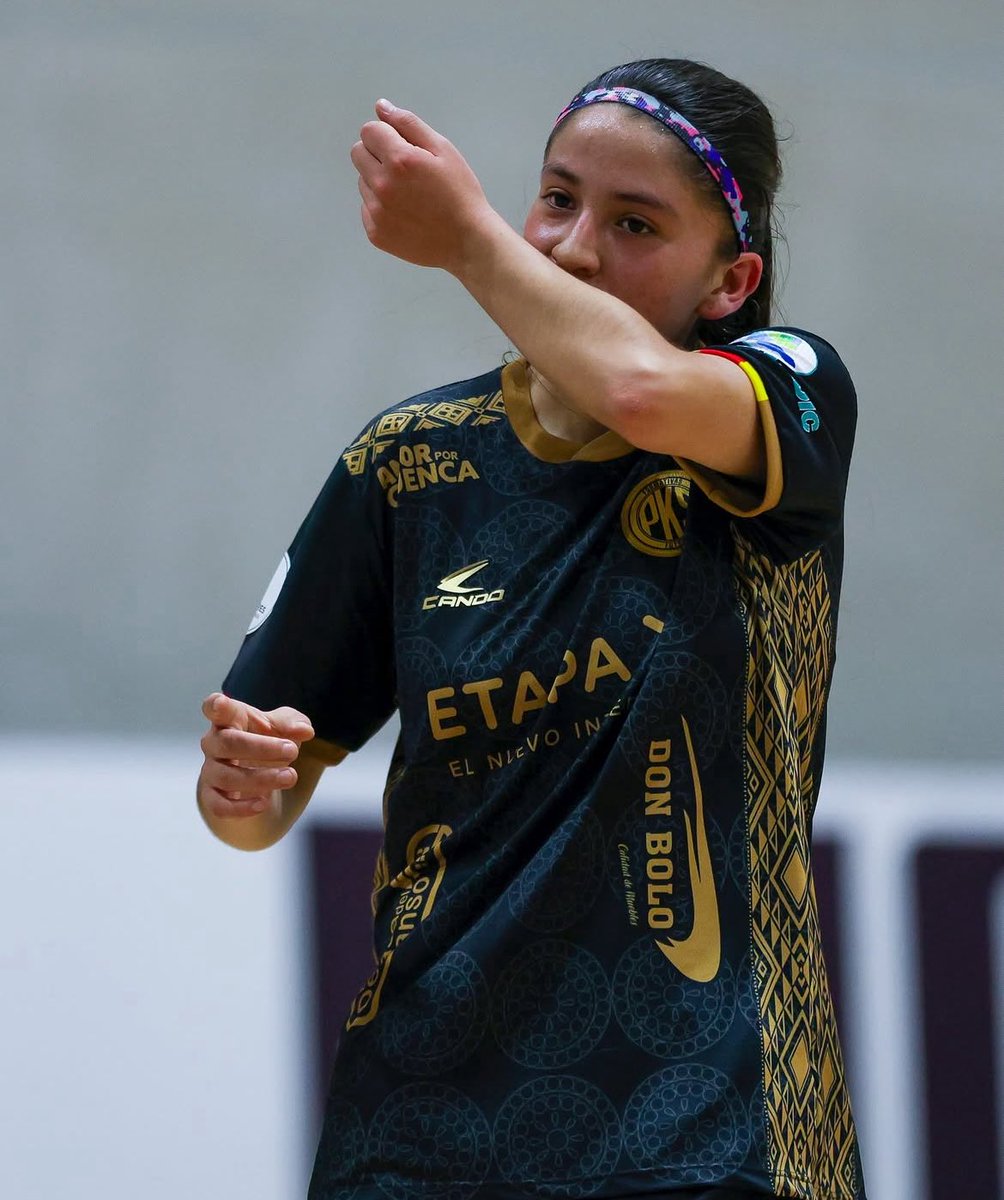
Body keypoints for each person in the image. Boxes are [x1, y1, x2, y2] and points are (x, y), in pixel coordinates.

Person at [198, 58, 865, 1200]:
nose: (573, 246)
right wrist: (239, 785)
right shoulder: (409, 461)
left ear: (729, 278)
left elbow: (640, 395)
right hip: (413, 1128)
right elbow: (263, 796)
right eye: (555, 199)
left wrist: (464, 241)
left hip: (704, 1121)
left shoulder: (783, 390)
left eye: (635, 222)